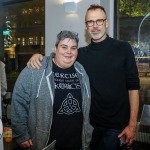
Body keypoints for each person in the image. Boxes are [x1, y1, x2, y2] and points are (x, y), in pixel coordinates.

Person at [27, 4, 140, 150]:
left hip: (116, 127)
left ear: (106, 23)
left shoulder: (123, 48)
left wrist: (132, 125)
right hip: (88, 125)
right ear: (86, 26)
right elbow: (59, 58)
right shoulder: (80, 54)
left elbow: (133, 88)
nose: (95, 26)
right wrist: (39, 57)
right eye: (90, 22)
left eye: (99, 21)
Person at [11, 30, 93, 150]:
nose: (69, 52)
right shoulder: (36, 68)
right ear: (55, 49)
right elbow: (18, 101)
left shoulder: (81, 70)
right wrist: (21, 134)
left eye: (73, 48)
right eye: (64, 47)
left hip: (77, 142)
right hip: (46, 144)